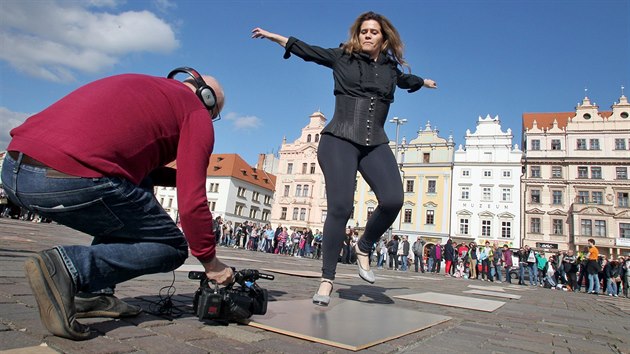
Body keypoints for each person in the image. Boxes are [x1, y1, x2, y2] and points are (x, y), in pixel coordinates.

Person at [1, 69, 228, 340]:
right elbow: (192, 202)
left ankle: (94, 294)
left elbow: (134, 165)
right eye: (215, 115)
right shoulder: (196, 112)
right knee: (172, 247)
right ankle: (68, 267)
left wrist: (187, 173)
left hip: (14, 168)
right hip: (63, 178)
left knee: (138, 184)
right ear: (208, 101)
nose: (211, 120)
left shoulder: (143, 85)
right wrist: (211, 262)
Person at [252, 11, 436, 306]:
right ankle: (327, 280)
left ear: (384, 38)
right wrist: (275, 37)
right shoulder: (342, 58)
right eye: (363, 30)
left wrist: (423, 82)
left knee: (393, 200)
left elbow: (404, 80)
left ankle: (364, 245)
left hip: (375, 141)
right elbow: (307, 50)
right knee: (340, 207)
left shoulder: (390, 68)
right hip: (339, 138)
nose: (367, 35)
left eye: (373, 32)